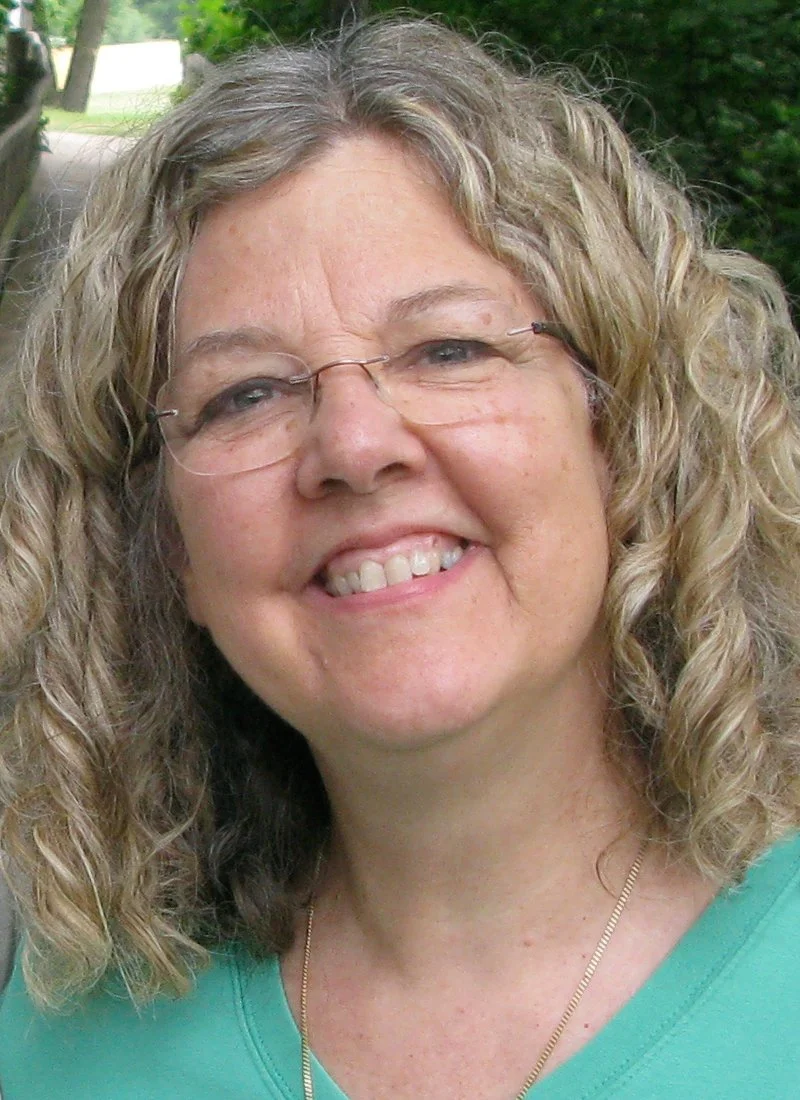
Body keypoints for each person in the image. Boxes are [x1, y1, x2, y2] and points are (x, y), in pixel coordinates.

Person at [1, 17, 799, 1100]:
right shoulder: (71, 1025)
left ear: (622, 429)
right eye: (249, 393)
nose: (356, 444)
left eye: (449, 348)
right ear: (164, 545)